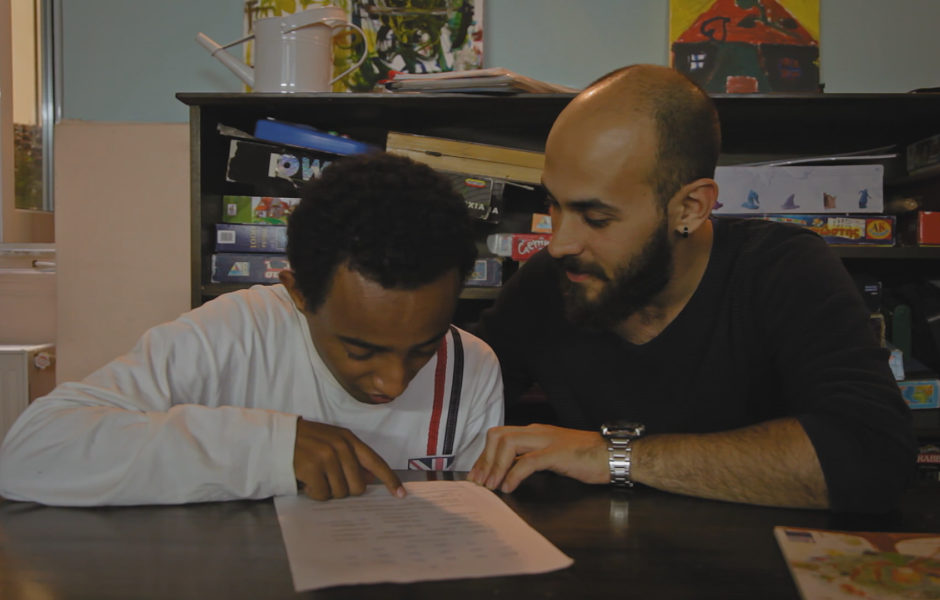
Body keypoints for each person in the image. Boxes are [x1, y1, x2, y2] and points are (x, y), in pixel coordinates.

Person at [468, 64, 916, 513]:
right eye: (553, 205)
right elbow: (455, 393)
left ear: (691, 207)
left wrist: (614, 457)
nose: (560, 243)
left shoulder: (782, 269)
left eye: (597, 218)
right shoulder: (551, 281)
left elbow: (871, 456)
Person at [0, 153, 503, 506]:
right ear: (299, 294)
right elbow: (33, 452)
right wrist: (267, 447)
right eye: (360, 349)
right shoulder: (231, 336)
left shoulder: (471, 367)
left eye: (422, 349)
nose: (392, 383)